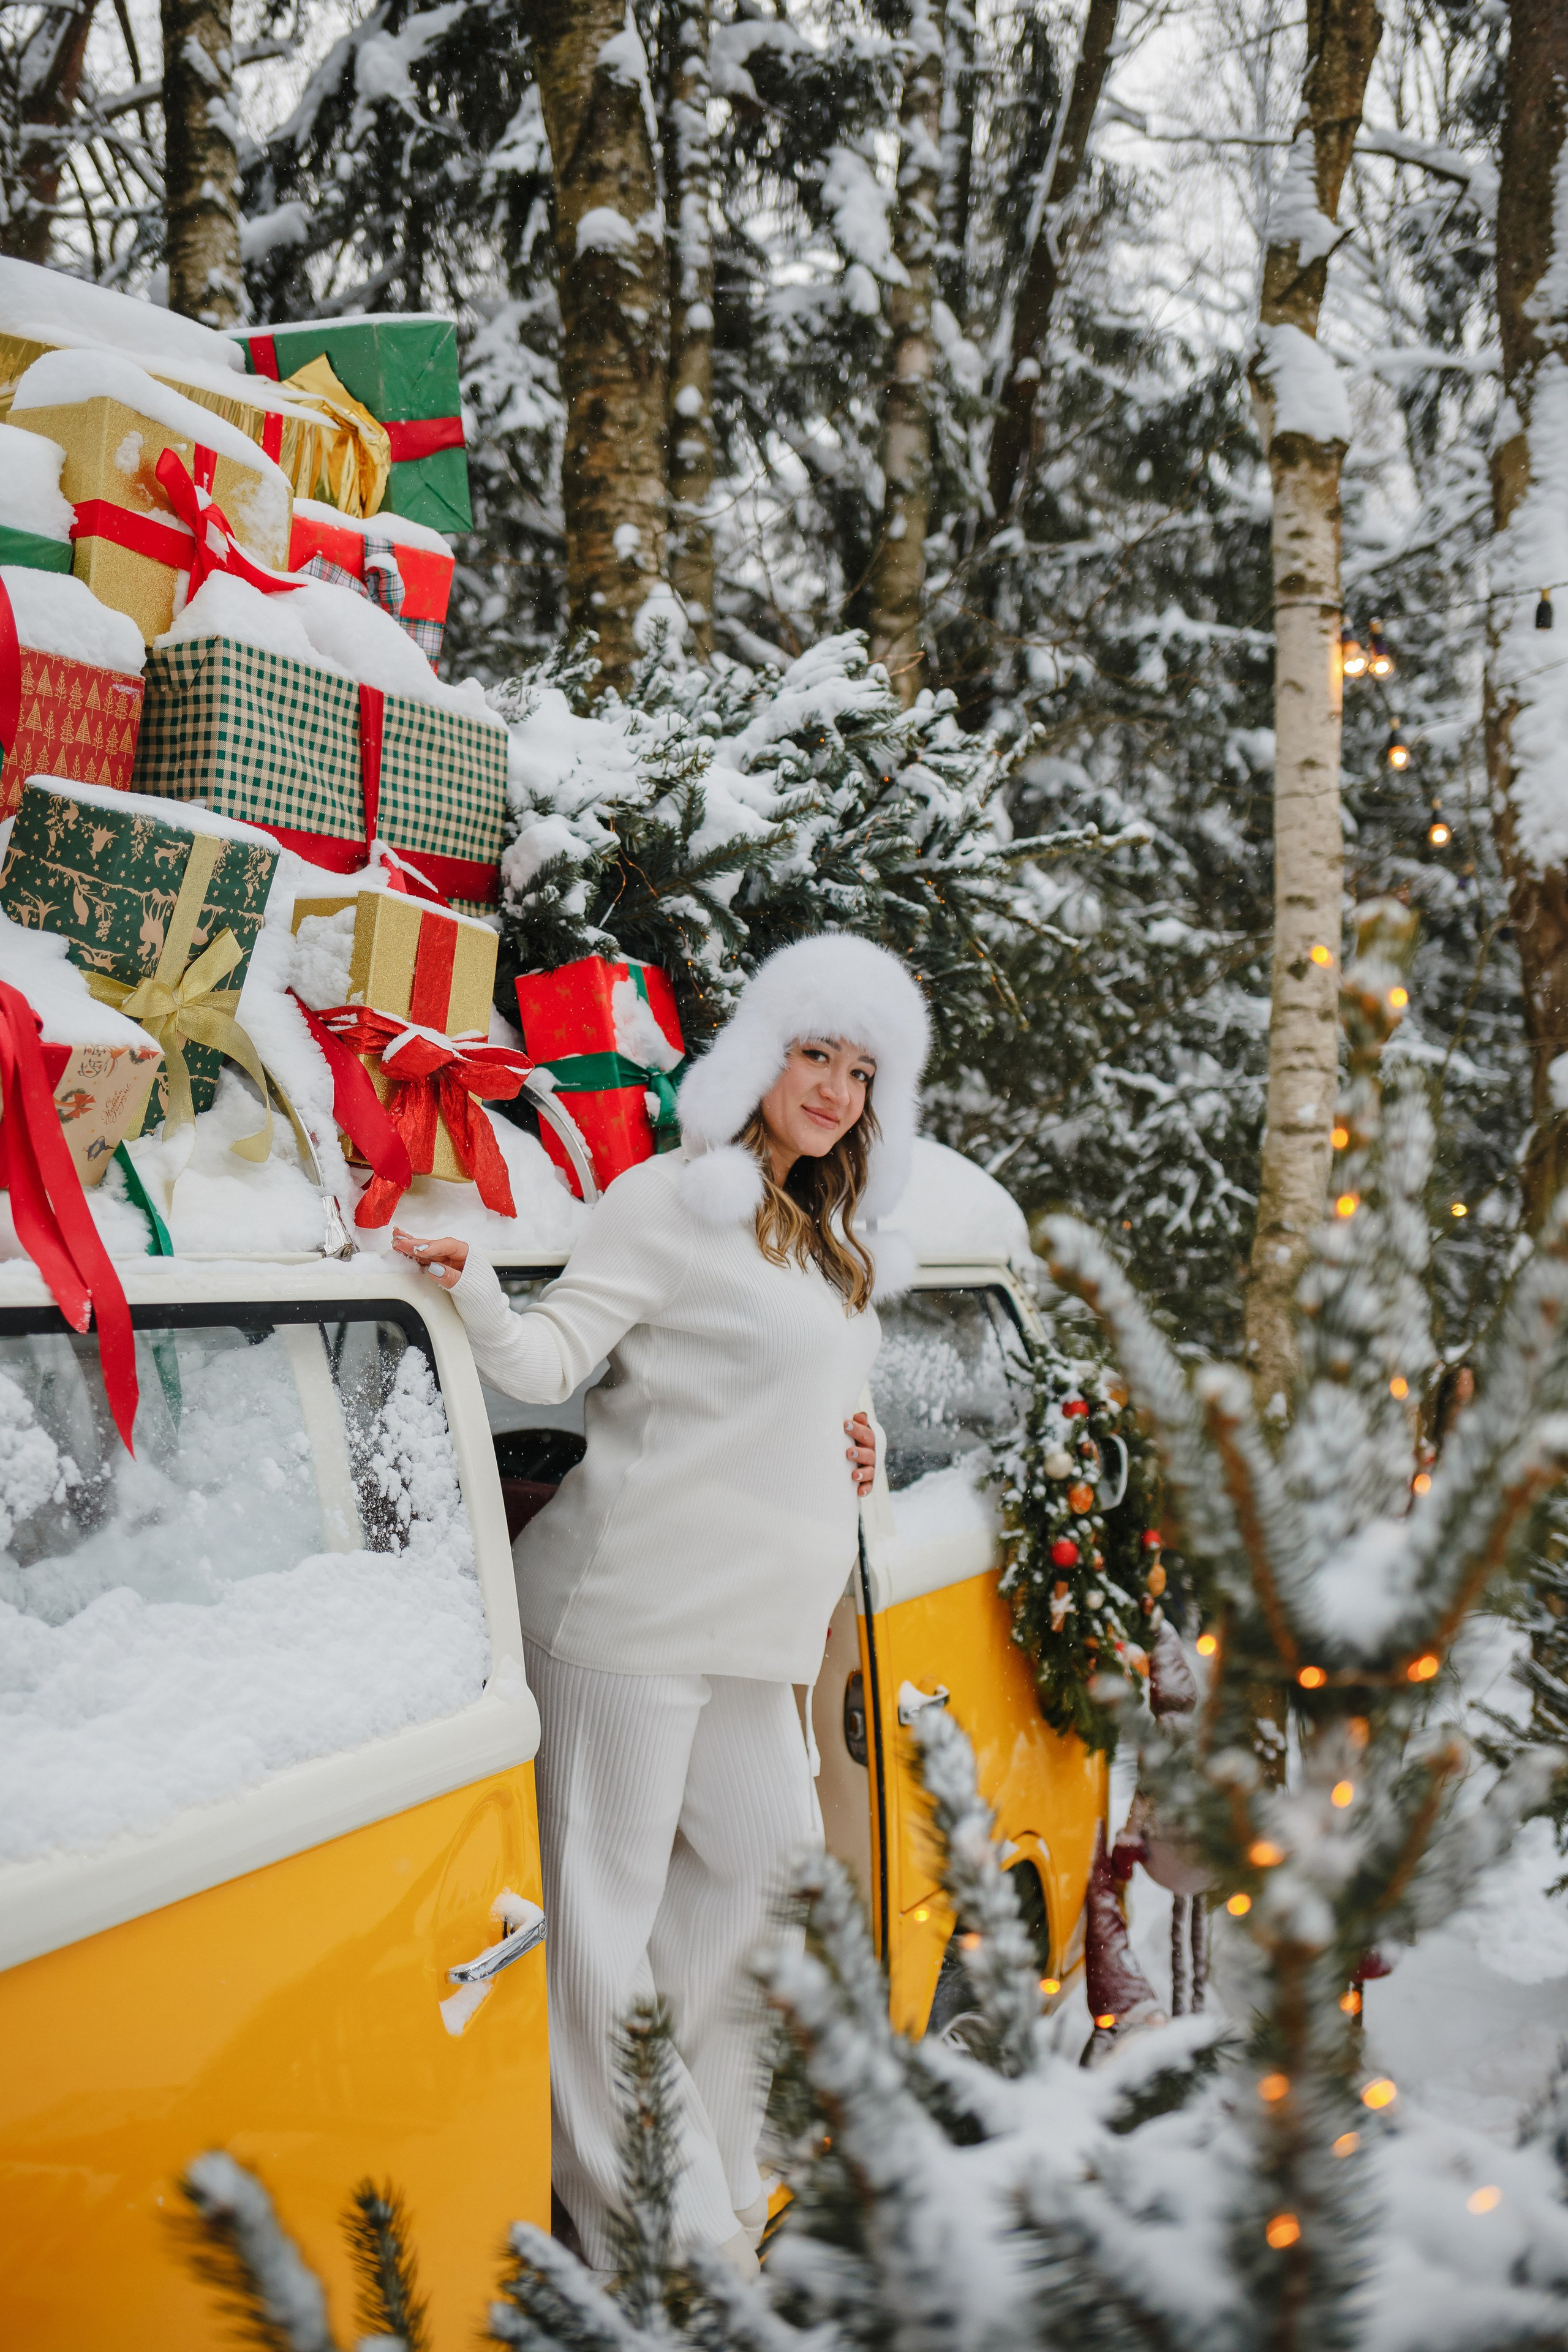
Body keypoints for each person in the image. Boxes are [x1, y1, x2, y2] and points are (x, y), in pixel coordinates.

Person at [391, 934, 929, 2280]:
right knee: (597, 1940)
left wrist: (857, 1444)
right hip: (623, 1617)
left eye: (862, 1072)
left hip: (750, 1635)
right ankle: (663, 2239)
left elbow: (799, 1390)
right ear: (757, 1057)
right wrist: (471, 1292)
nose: (836, 1090)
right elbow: (552, 1360)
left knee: (769, 1881)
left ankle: (715, 2185)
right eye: (815, 1054)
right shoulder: (670, 1201)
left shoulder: (824, 1237)